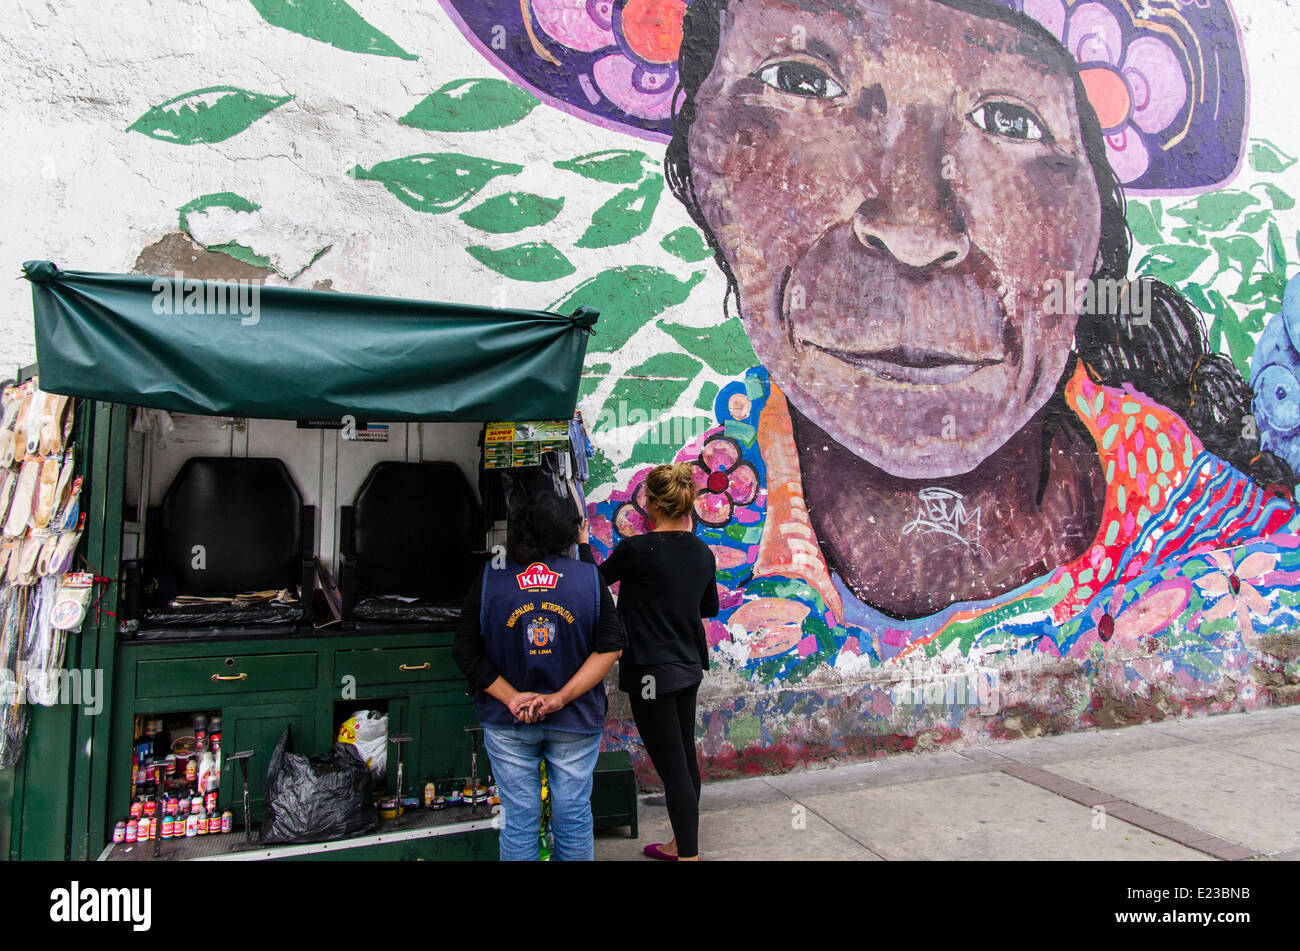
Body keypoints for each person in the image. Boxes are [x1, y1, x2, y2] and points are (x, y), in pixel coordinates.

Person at [452, 491, 624, 861]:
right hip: (574, 719)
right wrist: (560, 698)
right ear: (568, 533)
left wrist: (513, 698)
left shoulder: (490, 579)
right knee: (573, 817)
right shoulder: (588, 578)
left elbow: (465, 651)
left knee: (519, 820)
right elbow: (611, 647)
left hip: (508, 719)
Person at [580, 463, 719, 861]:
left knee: (671, 764)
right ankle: (680, 843)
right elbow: (706, 607)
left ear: (651, 504)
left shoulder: (635, 551)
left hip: (650, 674)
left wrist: (585, 545)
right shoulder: (701, 551)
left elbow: (593, 582)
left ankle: (687, 855)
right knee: (684, 759)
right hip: (688, 665)